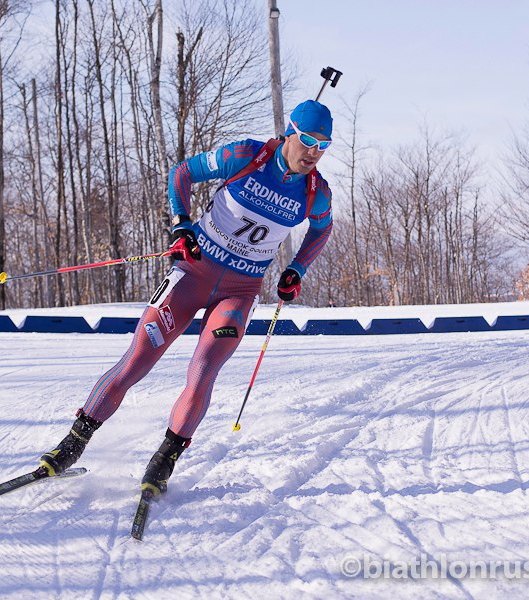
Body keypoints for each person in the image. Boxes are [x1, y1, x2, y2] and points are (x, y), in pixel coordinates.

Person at [39, 100, 334, 496]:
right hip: (191, 273)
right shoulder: (245, 155)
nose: (314, 152)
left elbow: (320, 232)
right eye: (309, 141)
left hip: (239, 292)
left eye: (323, 145)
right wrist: (182, 224)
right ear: (290, 132)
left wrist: (297, 269)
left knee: (202, 373)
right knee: (136, 360)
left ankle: (162, 464)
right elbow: (182, 173)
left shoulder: (316, 193)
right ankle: (70, 447)